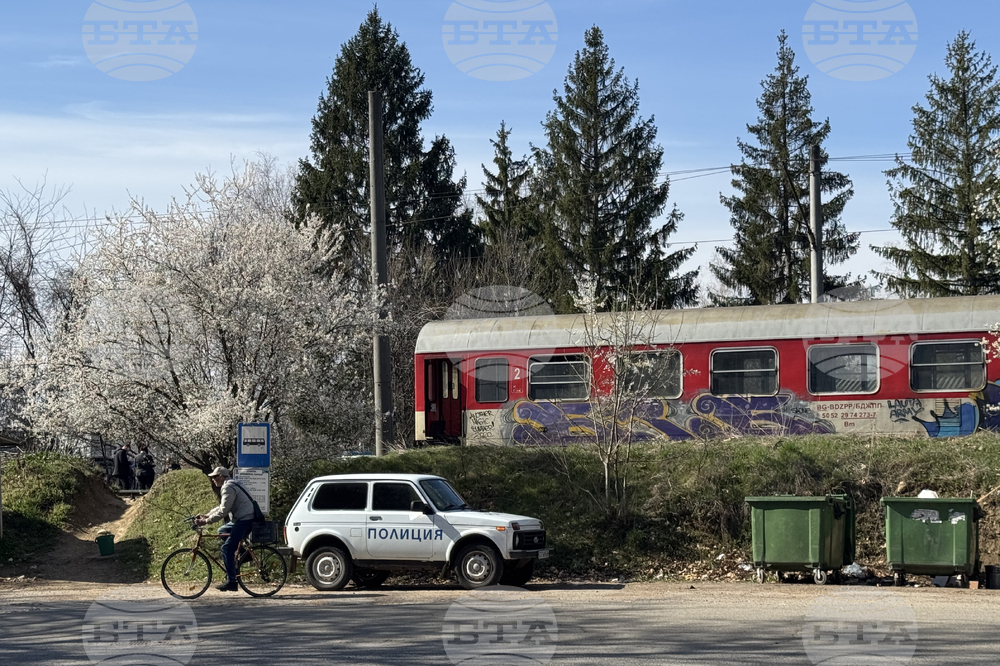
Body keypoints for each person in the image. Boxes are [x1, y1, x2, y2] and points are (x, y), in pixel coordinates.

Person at [195, 467, 258, 592]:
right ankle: (244, 556)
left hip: (245, 520)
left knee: (226, 548)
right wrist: (207, 515)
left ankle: (232, 581)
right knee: (221, 531)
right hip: (242, 519)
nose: (213, 479)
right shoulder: (231, 483)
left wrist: (206, 521)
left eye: (215, 476)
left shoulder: (228, 487)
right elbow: (222, 506)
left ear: (222, 476)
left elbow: (224, 511)